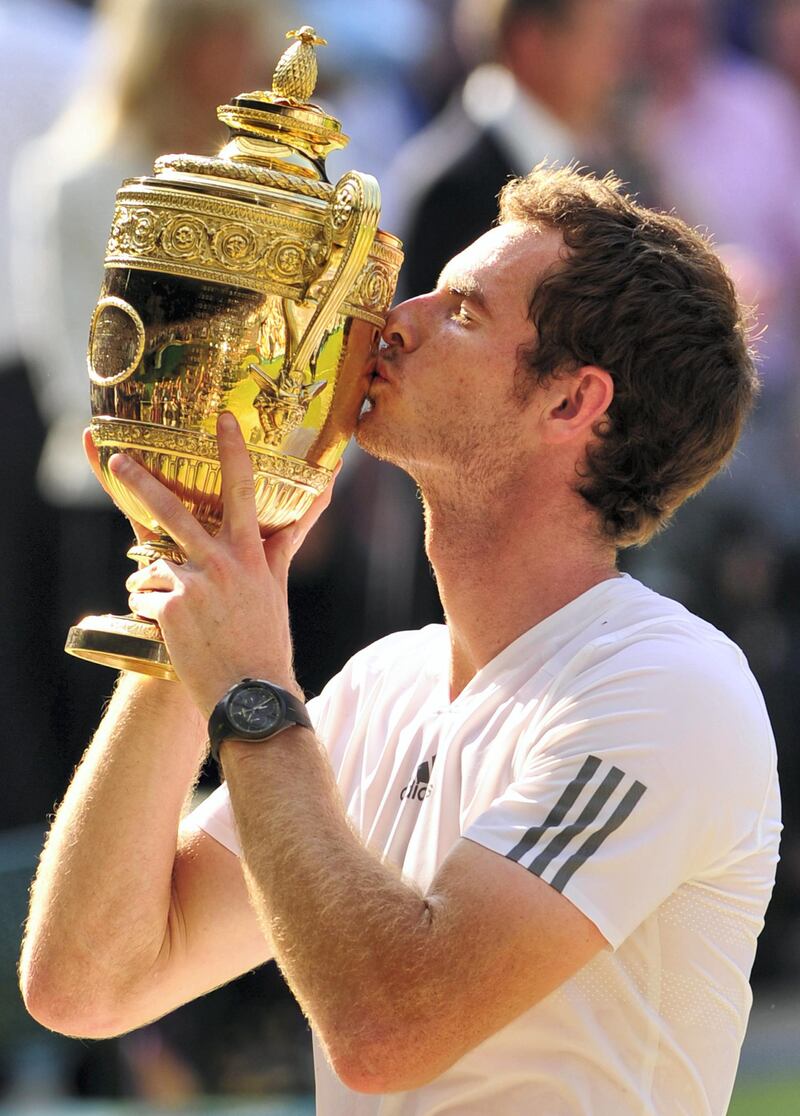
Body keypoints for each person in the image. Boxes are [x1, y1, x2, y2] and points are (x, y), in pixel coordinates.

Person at [20, 165, 780, 1115]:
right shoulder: (387, 685)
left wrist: (249, 685)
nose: (393, 323)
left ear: (570, 404)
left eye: (461, 309)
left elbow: (390, 1030)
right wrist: (194, 611)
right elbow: (88, 982)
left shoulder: (670, 689)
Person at [391, 0, 631, 299]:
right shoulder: (455, 187)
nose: (617, 63)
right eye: (603, 38)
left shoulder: (590, 162)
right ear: (532, 41)